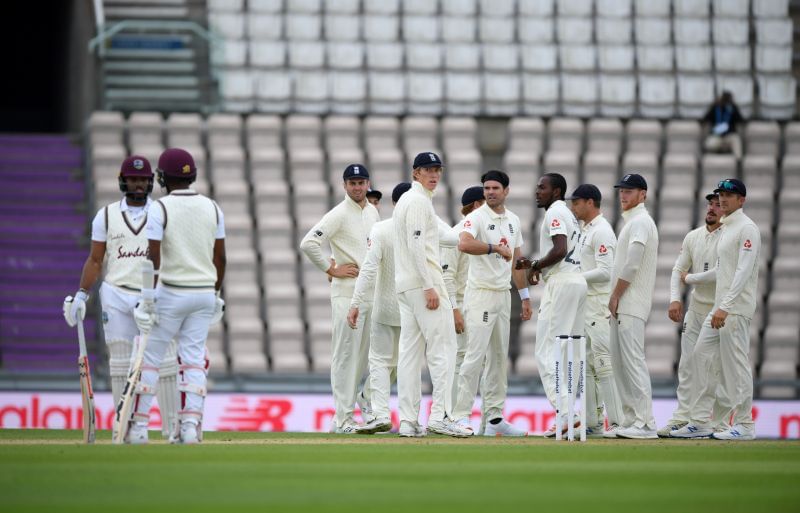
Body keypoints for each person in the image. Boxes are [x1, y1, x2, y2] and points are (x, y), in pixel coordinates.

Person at [62, 155, 179, 439]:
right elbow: (95, 259)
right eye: (133, 179)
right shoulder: (105, 215)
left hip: (153, 293)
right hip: (116, 293)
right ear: (123, 181)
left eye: (142, 179)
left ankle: (171, 428)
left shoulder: (163, 212)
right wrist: (82, 294)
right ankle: (123, 425)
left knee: (165, 360)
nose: (138, 184)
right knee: (120, 360)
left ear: (150, 182)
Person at [126, 148, 226, 444]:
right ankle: (190, 429)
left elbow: (152, 256)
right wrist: (216, 293)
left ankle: (140, 428)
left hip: (172, 292)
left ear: (164, 178)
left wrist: (147, 297)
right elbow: (220, 258)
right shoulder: (213, 207)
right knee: (193, 360)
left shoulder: (160, 207)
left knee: (150, 359)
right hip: (204, 293)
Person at [671, 179, 760, 441]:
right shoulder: (728, 228)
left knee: (736, 365)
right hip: (720, 308)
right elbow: (724, 271)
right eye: (720, 194)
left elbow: (743, 273)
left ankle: (745, 423)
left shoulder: (748, 229)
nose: (722, 199)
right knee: (700, 356)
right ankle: (700, 421)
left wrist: (725, 306)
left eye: (729, 195)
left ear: (741, 200)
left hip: (734, 308)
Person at [393, 151, 472, 438]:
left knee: (411, 354)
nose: (434, 174)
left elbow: (444, 236)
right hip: (423, 284)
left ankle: (408, 421)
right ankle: (440, 416)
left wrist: (476, 237)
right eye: (427, 169)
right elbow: (417, 246)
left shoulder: (413, 201)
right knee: (443, 350)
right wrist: (429, 286)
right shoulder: (416, 201)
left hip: (406, 285)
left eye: (437, 169)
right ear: (415, 173)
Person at [300, 164, 380, 433]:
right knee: (345, 356)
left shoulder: (372, 211)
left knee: (361, 359)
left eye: (361, 182)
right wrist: (331, 268)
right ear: (344, 185)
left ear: (368, 183)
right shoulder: (339, 213)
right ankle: (344, 419)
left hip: (370, 293)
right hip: (347, 292)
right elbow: (309, 243)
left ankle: (342, 418)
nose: (357, 187)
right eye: (352, 183)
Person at [452, 170, 531, 437]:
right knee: (474, 357)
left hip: (502, 295)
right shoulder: (476, 217)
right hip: (481, 294)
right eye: (487, 188)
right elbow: (464, 244)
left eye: (496, 188)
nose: (490, 192)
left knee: (499, 358)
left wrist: (525, 296)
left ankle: (494, 419)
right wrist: (494, 248)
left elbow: (517, 261)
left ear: (506, 191)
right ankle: (460, 416)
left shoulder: (514, 220)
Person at [518, 173, 587, 438]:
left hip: (562, 284)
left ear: (556, 192)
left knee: (547, 350)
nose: (537, 191)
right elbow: (561, 254)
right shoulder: (569, 214)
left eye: (542, 188)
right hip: (576, 281)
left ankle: (567, 413)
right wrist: (536, 265)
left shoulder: (555, 213)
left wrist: (535, 265)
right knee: (567, 351)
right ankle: (567, 413)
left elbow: (559, 249)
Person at [659, 193, 725, 437]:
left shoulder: (729, 237)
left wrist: (691, 279)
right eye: (710, 204)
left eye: (718, 205)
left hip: (718, 310)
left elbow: (720, 272)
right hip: (696, 310)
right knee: (687, 364)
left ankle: (712, 421)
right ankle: (682, 418)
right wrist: (675, 298)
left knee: (710, 366)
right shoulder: (693, 237)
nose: (712, 208)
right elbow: (678, 268)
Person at [347, 182, 411, 434]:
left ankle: (384, 411)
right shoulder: (385, 230)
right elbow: (369, 269)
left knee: (391, 364)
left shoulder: (383, 229)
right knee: (398, 364)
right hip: (400, 310)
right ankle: (387, 414)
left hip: (401, 310)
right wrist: (356, 302)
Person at [568, 184, 623, 436]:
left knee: (602, 363)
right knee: (587, 364)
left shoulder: (601, 230)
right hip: (585, 305)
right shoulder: (584, 230)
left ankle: (619, 422)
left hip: (599, 305)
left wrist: (575, 278)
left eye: (576, 202)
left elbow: (606, 271)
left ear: (590, 202)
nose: (573, 207)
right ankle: (592, 422)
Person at [607, 173, 659, 439]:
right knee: (619, 363)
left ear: (643, 194)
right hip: (622, 303)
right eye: (622, 191)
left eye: (629, 191)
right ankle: (630, 419)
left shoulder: (641, 222)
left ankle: (646, 423)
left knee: (632, 361)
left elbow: (633, 263)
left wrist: (615, 295)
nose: (623, 195)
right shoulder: (632, 222)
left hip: (630, 302)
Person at [442, 186, 485, 408]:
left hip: (477, 301)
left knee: (482, 360)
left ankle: (490, 419)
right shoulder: (455, 235)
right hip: (459, 304)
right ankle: (451, 414)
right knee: (460, 360)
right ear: (477, 206)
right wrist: (454, 310)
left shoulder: (482, 235)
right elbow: (446, 275)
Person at [702, 91, 744, 160]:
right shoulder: (715, 107)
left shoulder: (733, 108)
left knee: (736, 140)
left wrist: (734, 109)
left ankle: (738, 162)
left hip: (729, 136)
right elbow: (705, 118)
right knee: (709, 144)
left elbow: (740, 120)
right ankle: (718, 151)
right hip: (717, 135)